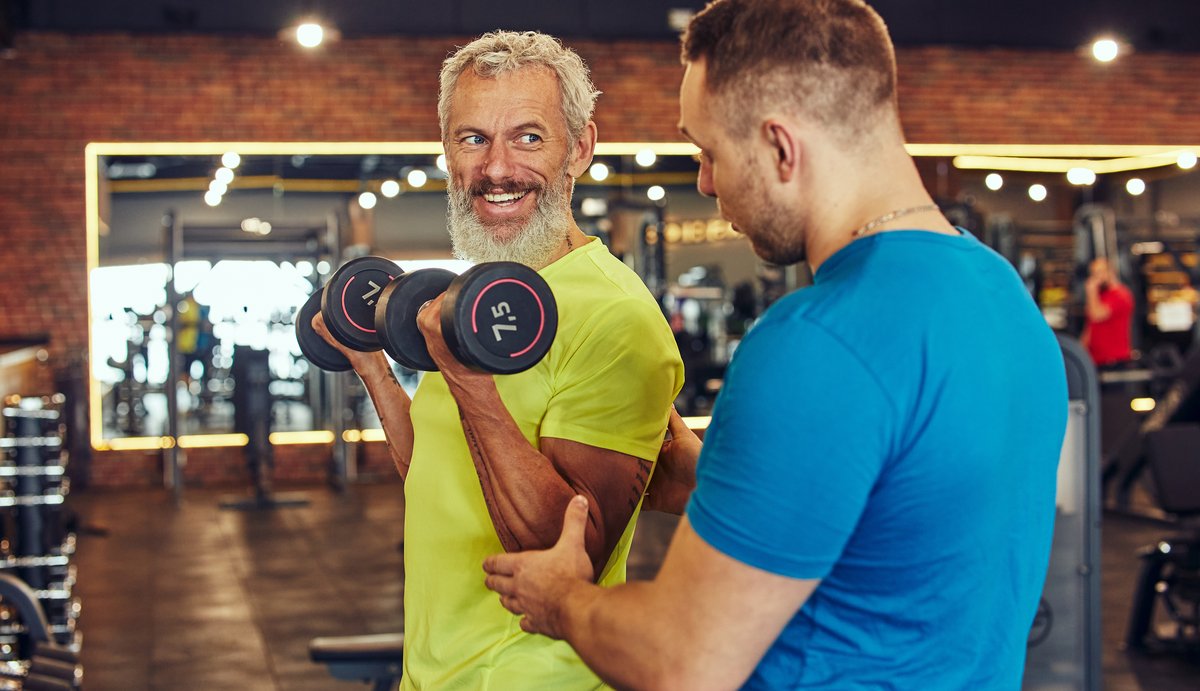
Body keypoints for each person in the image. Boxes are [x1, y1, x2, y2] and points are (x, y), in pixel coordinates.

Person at [483, 1, 1069, 688]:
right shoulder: (1001, 297)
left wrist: (562, 597)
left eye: (710, 152)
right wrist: (716, 472)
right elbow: (908, 510)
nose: (704, 181)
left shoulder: (817, 341)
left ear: (781, 147)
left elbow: (680, 662)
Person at [313, 31, 684, 689]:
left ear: (581, 148)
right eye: (473, 138)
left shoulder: (614, 315)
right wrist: (372, 364)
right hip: (433, 672)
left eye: (529, 137)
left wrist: (468, 382)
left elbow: (573, 555)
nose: (497, 167)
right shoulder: (476, 297)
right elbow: (435, 472)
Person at [1081, 256, 1134, 368]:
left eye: (1100, 272)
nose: (1096, 277)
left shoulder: (1121, 295)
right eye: (1094, 273)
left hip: (1114, 359)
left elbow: (1097, 315)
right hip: (1095, 359)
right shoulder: (1099, 296)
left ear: (1111, 272)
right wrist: (1082, 349)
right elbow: (1090, 325)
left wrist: (1091, 291)